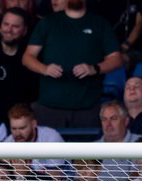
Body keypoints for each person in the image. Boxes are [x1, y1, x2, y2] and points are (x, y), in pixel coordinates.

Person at [22, 0, 122, 129]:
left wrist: (94, 68)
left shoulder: (100, 23)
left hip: (88, 108)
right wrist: (44, 69)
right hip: (49, 107)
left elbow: (116, 59)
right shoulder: (48, 22)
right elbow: (27, 57)